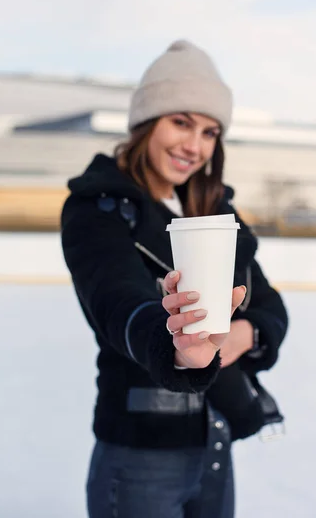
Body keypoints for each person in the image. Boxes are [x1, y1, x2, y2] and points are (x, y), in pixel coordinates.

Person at [61, 40, 288, 518]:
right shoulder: (100, 207)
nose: (194, 145)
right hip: (140, 458)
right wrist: (177, 348)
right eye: (181, 121)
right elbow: (118, 303)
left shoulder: (214, 213)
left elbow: (268, 303)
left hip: (216, 442)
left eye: (209, 132)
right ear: (146, 121)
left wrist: (246, 333)